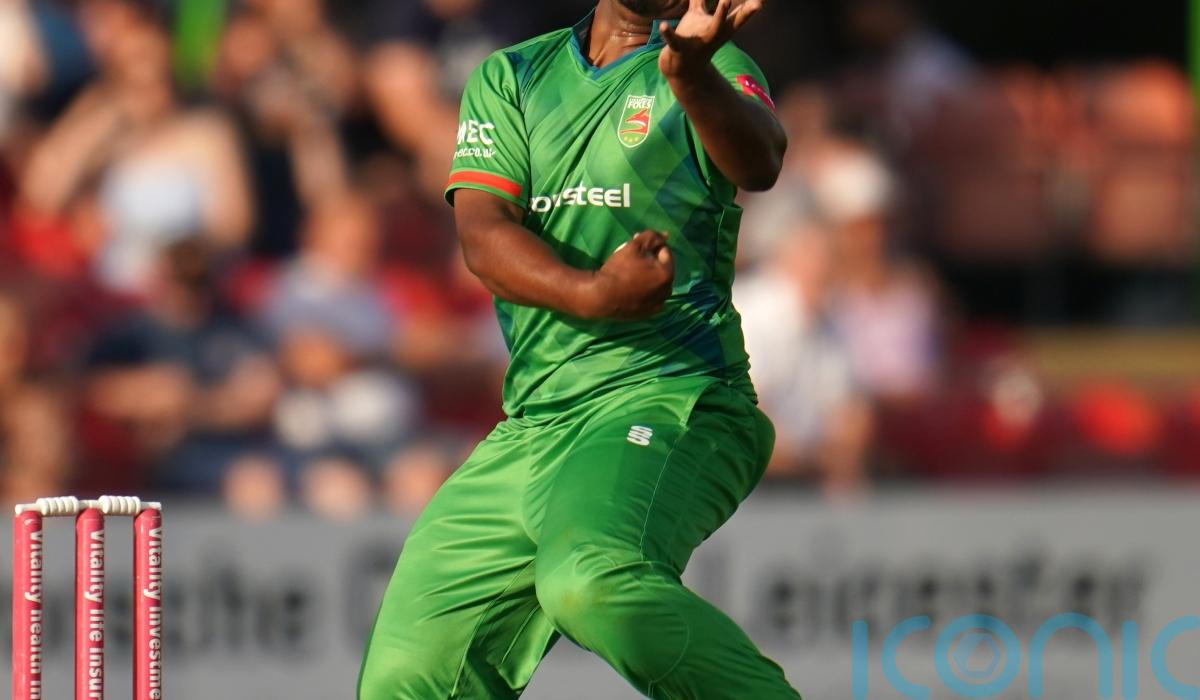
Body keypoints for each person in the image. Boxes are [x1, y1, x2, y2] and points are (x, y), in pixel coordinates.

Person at [358, 0, 801, 698]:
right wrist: (596, 293)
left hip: (672, 393)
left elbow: (761, 160)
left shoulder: (710, 66)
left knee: (586, 580)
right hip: (535, 423)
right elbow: (483, 236)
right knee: (406, 670)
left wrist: (689, 71)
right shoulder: (513, 75)